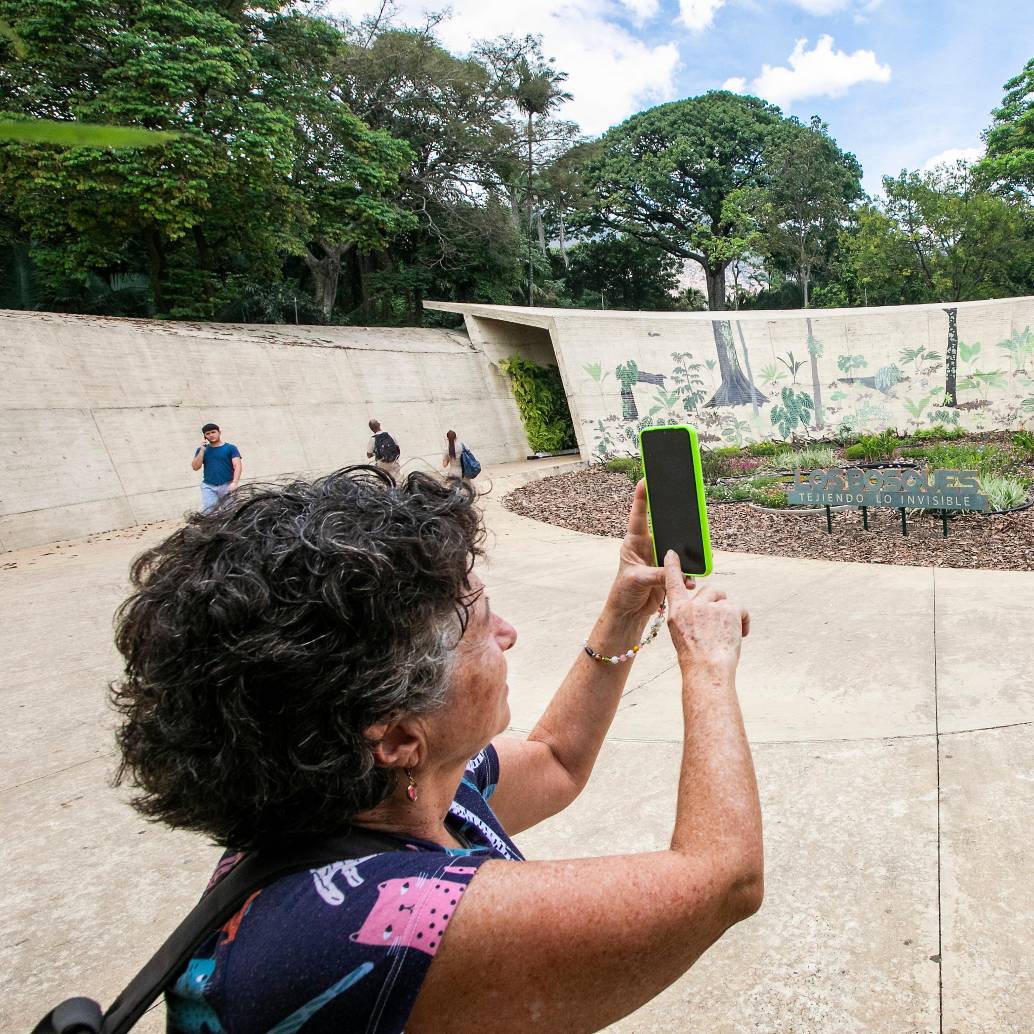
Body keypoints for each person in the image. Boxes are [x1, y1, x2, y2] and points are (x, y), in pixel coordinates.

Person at [111, 467, 762, 1034]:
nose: (507, 634)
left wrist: (625, 608)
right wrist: (707, 664)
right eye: (480, 626)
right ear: (396, 737)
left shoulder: (383, 789)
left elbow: (558, 759)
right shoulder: (374, 923)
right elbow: (722, 880)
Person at [189, 422, 241, 512]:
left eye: (213, 432)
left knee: (230, 512)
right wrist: (202, 451)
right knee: (209, 513)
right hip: (209, 486)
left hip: (227, 485)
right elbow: (195, 467)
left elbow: (237, 466)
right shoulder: (201, 450)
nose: (211, 435)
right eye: (208, 434)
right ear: (205, 436)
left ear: (219, 432)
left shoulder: (230, 448)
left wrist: (235, 483)